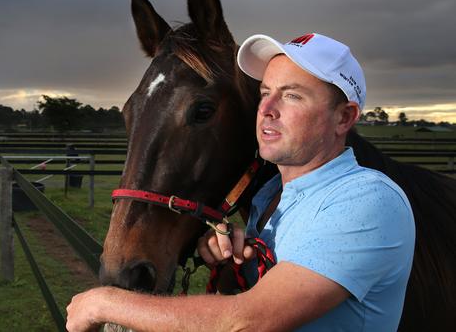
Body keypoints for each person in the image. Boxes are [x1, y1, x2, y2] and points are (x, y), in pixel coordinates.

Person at [66, 33, 415, 331]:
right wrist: (233, 269)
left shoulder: (367, 199)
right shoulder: (269, 199)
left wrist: (103, 303)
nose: (267, 109)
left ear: (344, 117)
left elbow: (247, 322)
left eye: (292, 95)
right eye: (265, 92)